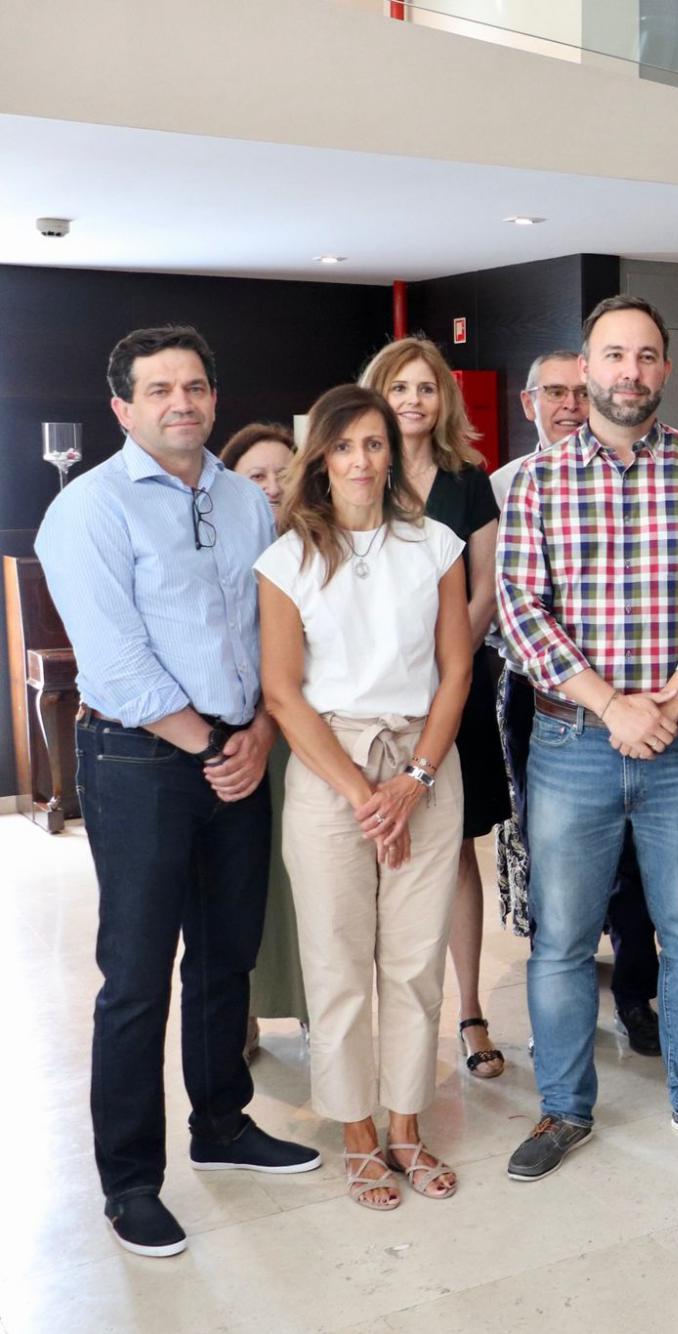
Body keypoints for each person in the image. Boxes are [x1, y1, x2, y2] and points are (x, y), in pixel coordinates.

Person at [36, 326, 319, 1259]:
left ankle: (223, 1125)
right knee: (136, 977)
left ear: (214, 397)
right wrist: (215, 746)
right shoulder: (88, 509)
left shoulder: (244, 500)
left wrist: (262, 731)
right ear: (123, 408)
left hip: (240, 748)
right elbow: (116, 660)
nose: (181, 403)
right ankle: (129, 1183)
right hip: (140, 762)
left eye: (194, 386)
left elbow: (277, 631)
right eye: (158, 390)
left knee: (225, 957)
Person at [497, 294, 678, 1180]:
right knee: (563, 941)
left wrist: (670, 702)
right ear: (586, 368)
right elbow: (521, 613)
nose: (630, 372)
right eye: (614, 355)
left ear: (666, 369)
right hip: (572, 742)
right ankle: (563, 1109)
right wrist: (614, 706)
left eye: (646, 356)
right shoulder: (536, 479)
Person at [256, 383, 473, 1211]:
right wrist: (363, 795)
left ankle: (407, 1126)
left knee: (415, 961)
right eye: (343, 446)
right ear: (321, 459)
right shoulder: (288, 560)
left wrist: (413, 781)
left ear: (392, 455)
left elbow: (456, 668)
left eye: (374, 444)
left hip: (424, 758)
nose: (360, 460)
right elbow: (283, 693)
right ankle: (356, 1132)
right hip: (329, 767)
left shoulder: (435, 544)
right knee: (337, 961)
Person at [489, 351, 663, 1058]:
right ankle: (558, 1010)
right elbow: (504, 610)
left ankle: (635, 995)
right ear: (528, 403)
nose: (567, 404)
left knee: (637, 857)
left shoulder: (644, 474)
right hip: (540, 701)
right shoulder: (506, 486)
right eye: (552, 392)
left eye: (577, 391)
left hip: (639, 704)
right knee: (553, 857)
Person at [359, 336, 512, 1080]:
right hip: (368, 696)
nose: (413, 400)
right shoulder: (357, 473)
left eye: (426, 388)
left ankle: (471, 1011)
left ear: (443, 398)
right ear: (378, 395)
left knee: (452, 851)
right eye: (400, 388)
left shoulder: (469, 481)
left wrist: (444, 671)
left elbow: (485, 591)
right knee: (368, 851)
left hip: (455, 690)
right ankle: (378, 1019)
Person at [221, 423, 311, 1051]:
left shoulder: (323, 543)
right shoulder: (219, 549)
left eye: (285, 473)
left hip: (309, 732)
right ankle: (244, 1012)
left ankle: (315, 1006)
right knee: (241, 880)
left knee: (307, 877)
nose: (273, 487)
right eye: (257, 476)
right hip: (240, 735)